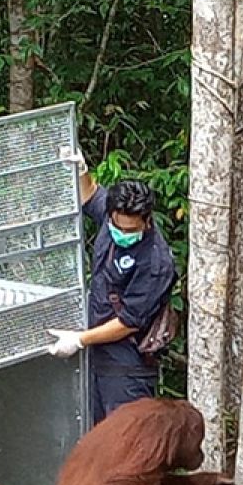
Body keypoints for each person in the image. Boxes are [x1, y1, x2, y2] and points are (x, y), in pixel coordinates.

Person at [47, 157, 176, 424]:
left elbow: (129, 322)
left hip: (127, 365)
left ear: (146, 221)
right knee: (92, 433)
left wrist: (79, 340)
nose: (122, 232)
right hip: (97, 355)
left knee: (125, 440)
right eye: (117, 226)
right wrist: (81, 170)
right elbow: (91, 194)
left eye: (131, 229)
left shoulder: (155, 262)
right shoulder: (111, 215)